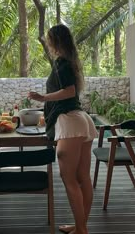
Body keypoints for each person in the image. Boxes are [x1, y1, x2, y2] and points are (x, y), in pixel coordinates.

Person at [28, 24, 97, 234]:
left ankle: (82, 230)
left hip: (70, 124)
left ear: (55, 41)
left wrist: (43, 98)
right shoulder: (71, 62)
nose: (48, 44)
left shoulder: (62, 63)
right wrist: (47, 113)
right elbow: (70, 94)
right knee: (83, 178)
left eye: (49, 40)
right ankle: (80, 226)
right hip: (81, 120)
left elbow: (68, 92)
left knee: (69, 180)